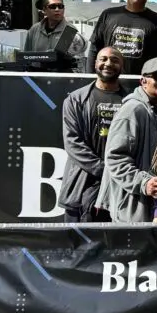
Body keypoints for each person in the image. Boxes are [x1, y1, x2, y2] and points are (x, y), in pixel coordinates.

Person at [96, 58, 157, 222]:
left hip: (156, 206)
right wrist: (144, 183)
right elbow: (115, 159)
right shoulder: (133, 110)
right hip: (132, 208)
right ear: (143, 81)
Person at [58, 47, 127, 222]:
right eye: (103, 59)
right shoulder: (75, 99)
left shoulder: (132, 101)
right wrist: (104, 169)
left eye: (114, 60)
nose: (108, 64)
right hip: (82, 187)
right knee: (79, 247)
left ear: (122, 66)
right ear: (95, 63)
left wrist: (121, 173)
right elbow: (73, 142)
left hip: (119, 188)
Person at [86, 0, 157, 76]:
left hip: (143, 83)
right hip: (109, 79)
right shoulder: (109, 15)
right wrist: (89, 76)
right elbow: (94, 48)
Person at [23, 0, 88, 66]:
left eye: (60, 6)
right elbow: (26, 56)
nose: (57, 9)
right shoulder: (34, 29)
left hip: (60, 75)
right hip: (36, 74)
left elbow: (77, 61)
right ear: (44, 10)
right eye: (53, 6)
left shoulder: (70, 30)